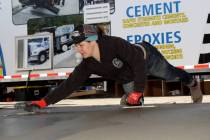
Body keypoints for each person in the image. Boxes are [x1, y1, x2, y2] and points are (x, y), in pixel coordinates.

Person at [15, 24, 203, 112]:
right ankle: (130, 95)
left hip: (146, 58)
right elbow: (69, 85)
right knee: (133, 105)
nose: (78, 50)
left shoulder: (114, 44)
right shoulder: (88, 64)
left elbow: (137, 63)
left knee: (170, 75)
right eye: (76, 46)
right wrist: (43, 102)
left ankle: (192, 82)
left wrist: (138, 90)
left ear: (92, 40)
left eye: (81, 45)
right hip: (128, 76)